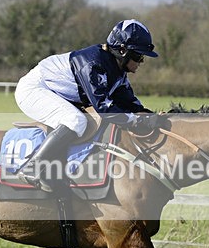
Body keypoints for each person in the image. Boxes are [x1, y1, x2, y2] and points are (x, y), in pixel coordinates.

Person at [14, 19, 159, 192]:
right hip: (33, 89)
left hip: (54, 91)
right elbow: (104, 108)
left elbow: (132, 105)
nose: (141, 61)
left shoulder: (118, 71)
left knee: (80, 120)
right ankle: (32, 167)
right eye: (138, 56)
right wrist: (134, 121)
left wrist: (154, 117)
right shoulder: (93, 64)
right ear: (122, 51)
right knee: (76, 120)